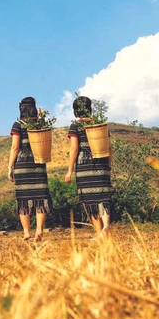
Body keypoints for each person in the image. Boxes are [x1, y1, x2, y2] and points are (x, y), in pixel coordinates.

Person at [65, 96, 113, 238]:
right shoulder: (100, 124)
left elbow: (74, 148)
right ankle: (106, 226)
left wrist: (69, 171)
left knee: (90, 200)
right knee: (103, 197)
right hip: (102, 163)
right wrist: (108, 165)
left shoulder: (76, 126)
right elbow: (109, 147)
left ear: (76, 111)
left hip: (84, 166)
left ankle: (99, 232)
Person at [8, 96, 51, 241]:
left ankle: (26, 232)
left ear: (21, 108)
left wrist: (10, 167)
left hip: (22, 165)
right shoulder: (40, 124)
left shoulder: (18, 124)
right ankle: (39, 230)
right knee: (41, 198)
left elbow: (15, 147)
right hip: (38, 163)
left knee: (23, 199)